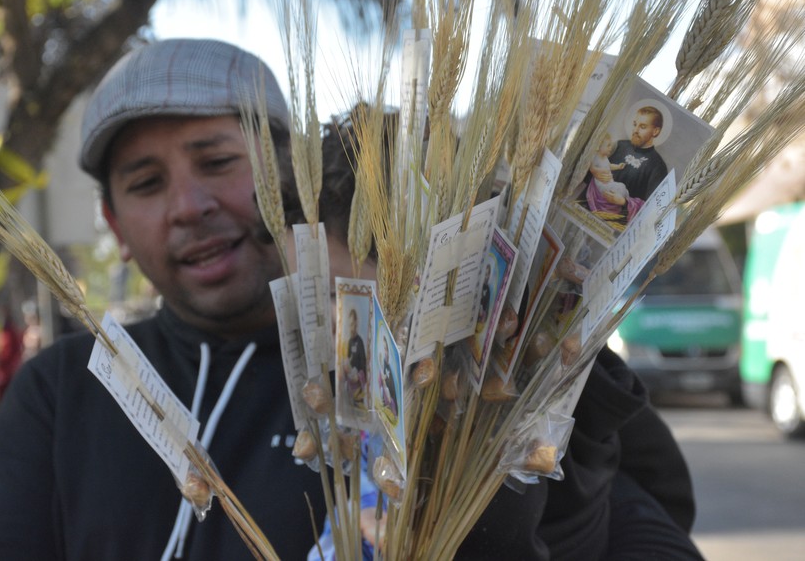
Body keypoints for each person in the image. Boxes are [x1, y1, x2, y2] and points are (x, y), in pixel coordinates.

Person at [0, 39, 327, 560]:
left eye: (218, 161)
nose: (188, 207)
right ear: (115, 227)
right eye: (148, 183)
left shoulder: (387, 375)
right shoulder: (60, 391)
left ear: (295, 175)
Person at [300, 107, 703, 560]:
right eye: (319, 297)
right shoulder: (322, 397)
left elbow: (660, 509)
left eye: (351, 297)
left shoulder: (555, 401)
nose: (335, 322)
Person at [605, 105, 669, 203]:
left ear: (655, 131)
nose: (635, 130)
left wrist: (624, 202)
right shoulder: (619, 145)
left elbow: (650, 204)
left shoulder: (658, 166)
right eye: (635, 124)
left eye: (642, 127)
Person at [585, 132, 644, 221]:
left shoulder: (604, 158)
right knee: (619, 187)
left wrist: (618, 166)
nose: (611, 147)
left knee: (621, 186)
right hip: (602, 184)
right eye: (608, 145)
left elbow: (610, 166)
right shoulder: (596, 158)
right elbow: (592, 169)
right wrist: (601, 171)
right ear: (599, 147)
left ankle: (624, 200)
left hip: (609, 182)